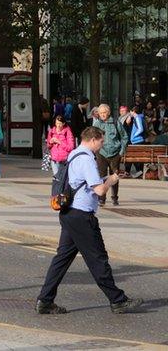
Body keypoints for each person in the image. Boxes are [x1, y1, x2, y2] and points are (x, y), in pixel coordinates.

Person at [35, 126, 143, 315]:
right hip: (82, 217)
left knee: (62, 259)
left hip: (69, 214)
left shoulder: (75, 154)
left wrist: (104, 178)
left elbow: (82, 182)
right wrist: (113, 179)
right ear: (93, 139)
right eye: (101, 141)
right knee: (98, 258)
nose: (102, 146)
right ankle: (118, 301)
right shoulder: (87, 160)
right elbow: (99, 190)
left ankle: (45, 300)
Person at [92, 104, 126, 206]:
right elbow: (92, 138)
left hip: (115, 153)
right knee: (102, 176)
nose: (102, 115)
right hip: (101, 153)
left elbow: (124, 137)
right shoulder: (97, 124)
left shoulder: (116, 122)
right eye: (101, 113)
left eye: (104, 112)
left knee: (114, 176)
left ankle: (115, 198)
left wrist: (121, 152)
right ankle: (102, 199)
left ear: (108, 112)